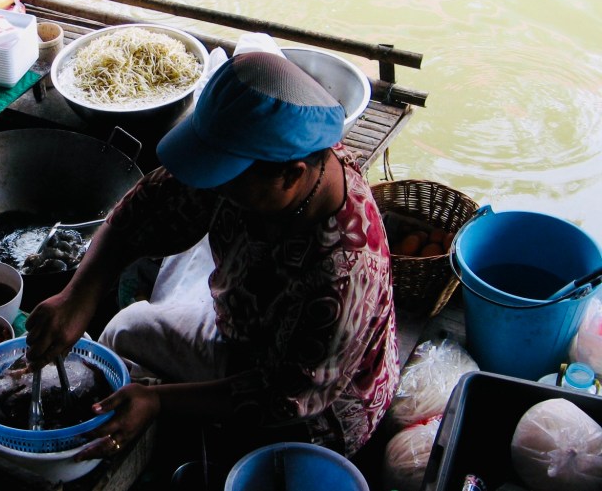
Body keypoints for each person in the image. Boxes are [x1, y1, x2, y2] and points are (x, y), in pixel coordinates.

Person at [24, 50, 399, 470]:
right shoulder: (272, 164)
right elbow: (149, 205)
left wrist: (158, 401)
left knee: (130, 339)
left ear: (292, 175)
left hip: (308, 411)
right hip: (243, 320)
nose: (211, 188)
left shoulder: (342, 274)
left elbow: (282, 397)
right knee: (133, 316)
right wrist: (78, 295)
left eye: (225, 180)